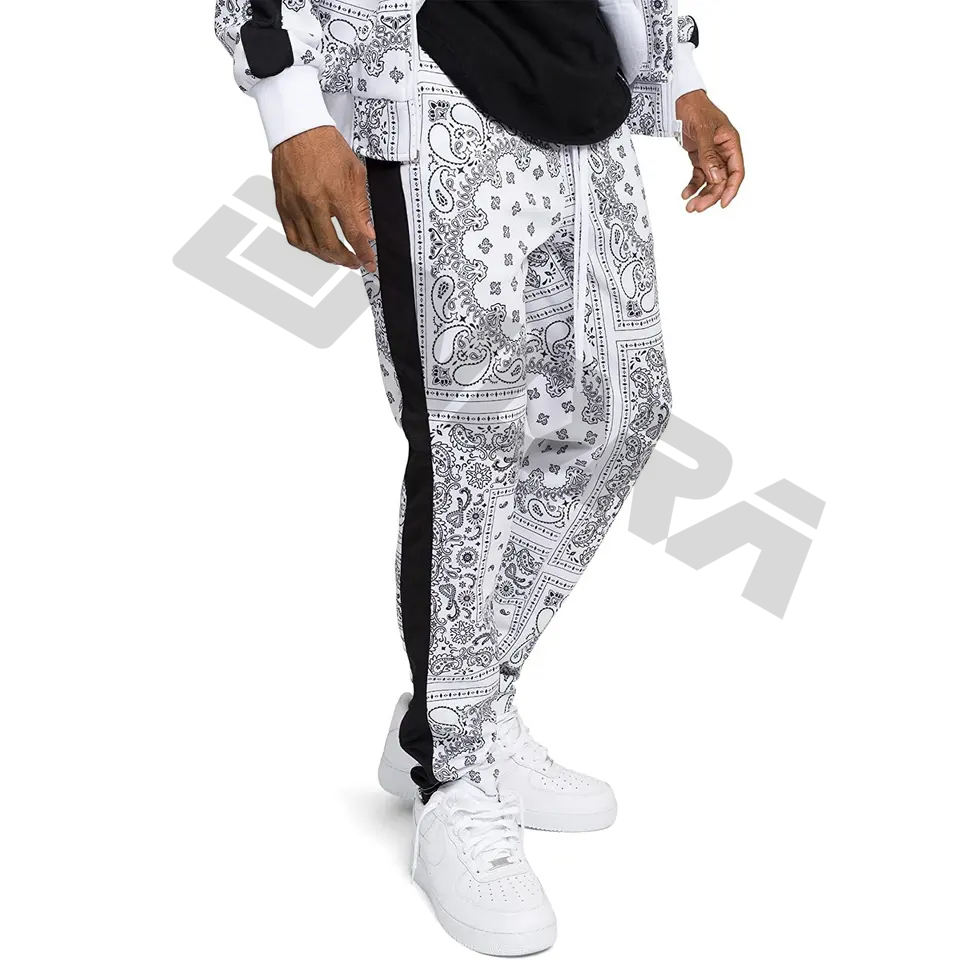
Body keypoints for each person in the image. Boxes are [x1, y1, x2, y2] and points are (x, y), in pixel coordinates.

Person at [215, 1, 744, 953]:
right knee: (469, 444)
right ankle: (452, 770)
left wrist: (681, 79)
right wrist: (290, 105)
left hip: (582, 93)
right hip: (426, 86)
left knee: (624, 410)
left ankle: (456, 711)